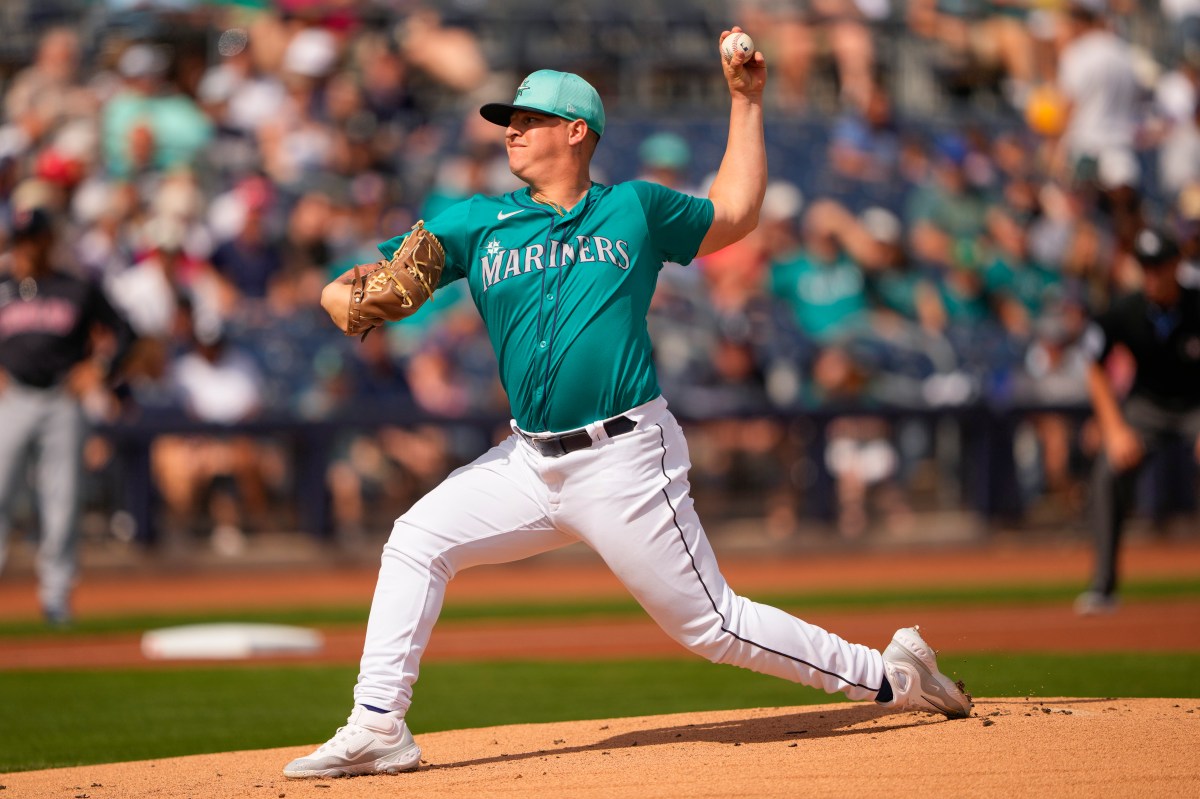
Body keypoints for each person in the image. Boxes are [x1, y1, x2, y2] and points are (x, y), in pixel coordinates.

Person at [284, 28, 972, 780]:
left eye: (529, 119)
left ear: (576, 131)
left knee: (712, 625)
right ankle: (378, 725)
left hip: (623, 458)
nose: (510, 130)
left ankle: (891, 674)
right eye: (508, 120)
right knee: (416, 540)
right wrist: (350, 297)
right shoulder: (476, 221)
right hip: (526, 461)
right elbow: (373, 292)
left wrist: (746, 102)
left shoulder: (635, 210)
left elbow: (737, 211)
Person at [0, 207, 138, 625]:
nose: (26, 247)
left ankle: (56, 596)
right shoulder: (4, 287)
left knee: (61, 500)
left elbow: (125, 332)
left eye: (33, 239)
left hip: (62, 400)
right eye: (21, 240)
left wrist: (99, 369)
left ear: (47, 240)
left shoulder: (75, 287)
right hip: (14, 398)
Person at [1076, 228, 1200, 615]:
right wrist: (1114, 429)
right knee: (1107, 472)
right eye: (1145, 267)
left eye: (1159, 266)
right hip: (1147, 407)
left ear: (1176, 265)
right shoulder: (1125, 311)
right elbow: (1094, 365)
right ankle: (1104, 584)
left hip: (1196, 406)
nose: (1152, 275)